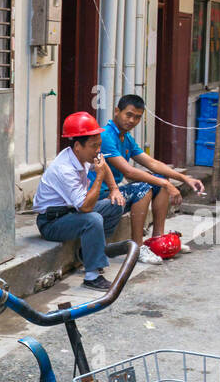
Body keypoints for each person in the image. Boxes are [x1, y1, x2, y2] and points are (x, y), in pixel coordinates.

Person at [92, 94, 205, 261]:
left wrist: (185, 179)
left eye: (137, 117)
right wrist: (165, 184)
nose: (132, 120)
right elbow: (129, 171)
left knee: (160, 179)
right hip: (97, 197)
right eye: (128, 115)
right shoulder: (106, 136)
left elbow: (152, 163)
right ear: (117, 111)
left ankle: (157, 241)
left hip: (112, 193)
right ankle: (137, 248)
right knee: (144, 188)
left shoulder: (126, 137)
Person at [34, 111, 126, 293]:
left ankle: (90, 252)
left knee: (116, 204)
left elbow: (104, 164)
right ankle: (92, 276)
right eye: (94, 146)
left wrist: (114, 188)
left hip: (70, 213)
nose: (98, 150)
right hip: (52, 222)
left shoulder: (84, 156)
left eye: (99, 145)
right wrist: (99, 177)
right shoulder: (64, 169)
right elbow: (85, 207)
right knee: (93, 219)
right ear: (78, 146)